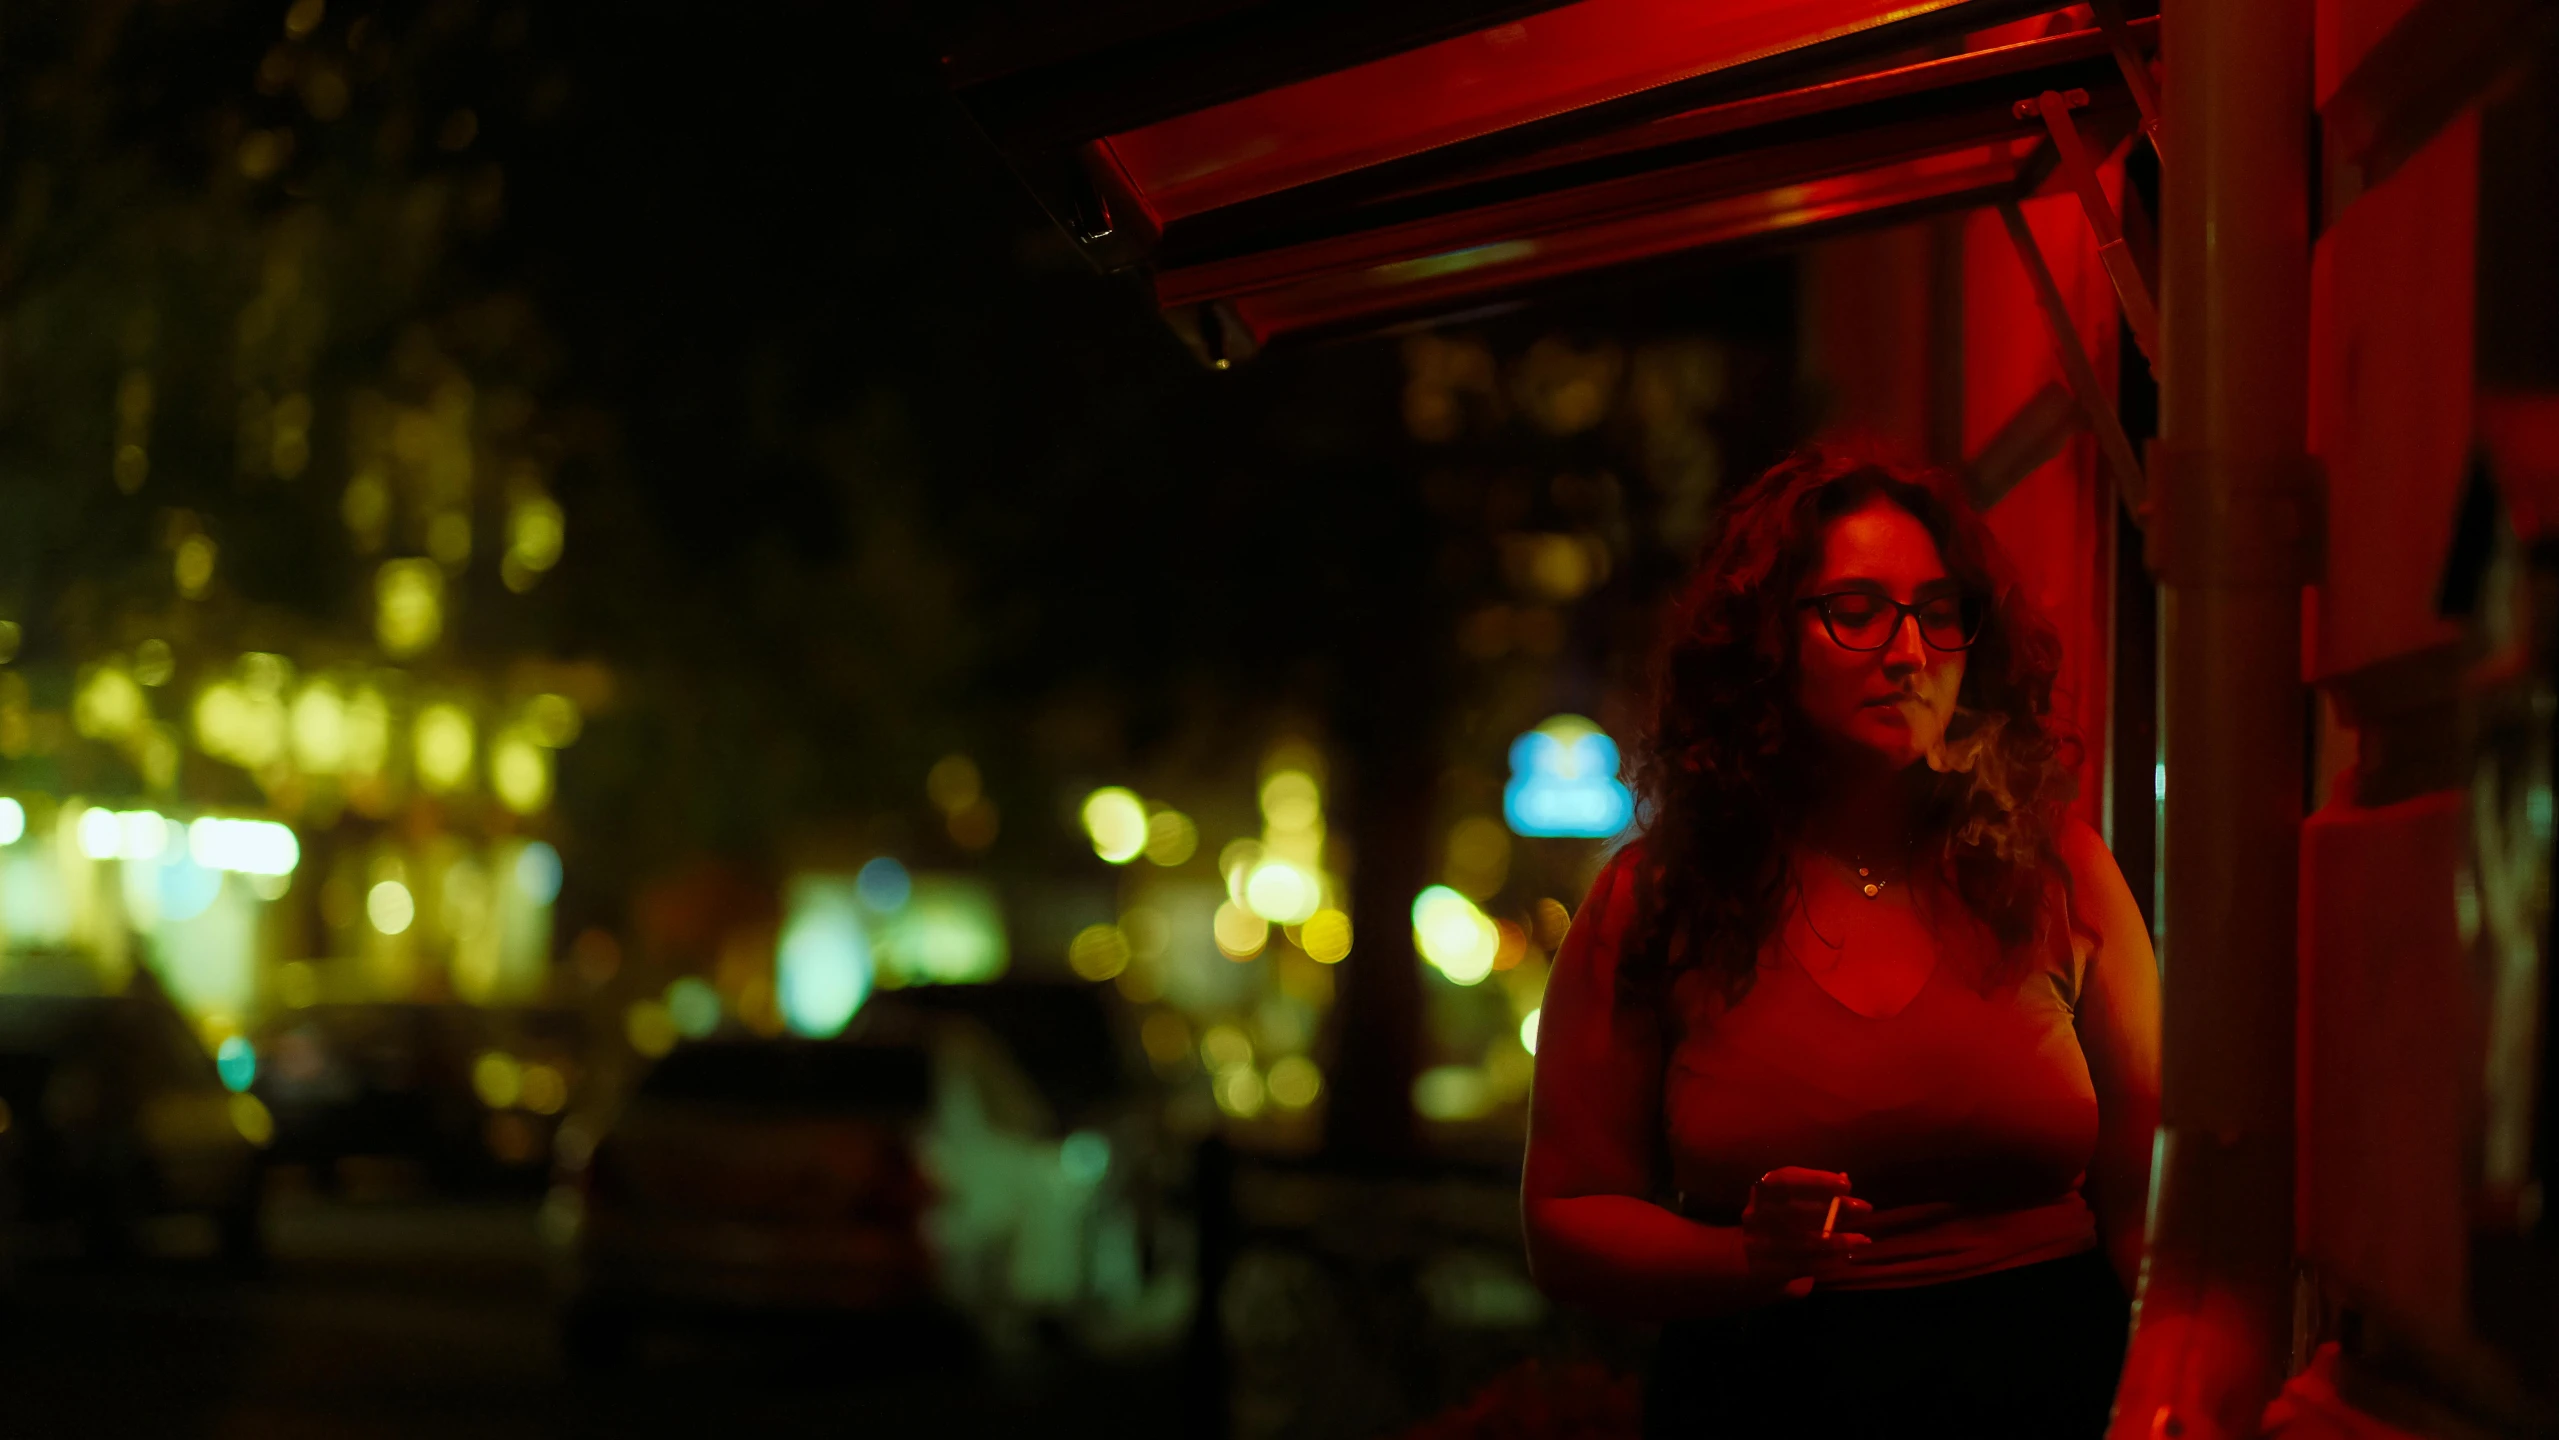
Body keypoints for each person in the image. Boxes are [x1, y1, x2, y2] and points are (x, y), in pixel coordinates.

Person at [1522, 447, 2161, 1437]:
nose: (1907, 652)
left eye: (1939, 611)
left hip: (2047, 1392)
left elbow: (2150, 1205)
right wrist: (1743, 1259)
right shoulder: (1661, 898)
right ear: (1765, 644)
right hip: (1768, 1397)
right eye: (1857, 610)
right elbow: (1565, 1219)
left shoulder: (2056, 871)